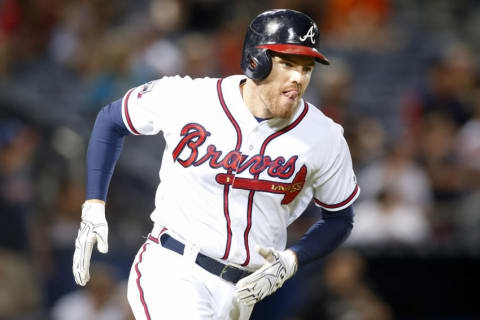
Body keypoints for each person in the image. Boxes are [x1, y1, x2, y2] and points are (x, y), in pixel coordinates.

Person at [72, 9, 360, 320]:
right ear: (255, 60)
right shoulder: (190, 97)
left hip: (241, 293)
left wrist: (293, 258)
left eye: (306, 68)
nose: (298, 78)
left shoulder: (324, 137)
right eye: (288, 64)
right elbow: (111, 120)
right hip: (174, 267)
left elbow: (339, 219)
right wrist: (93, 204)